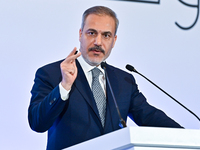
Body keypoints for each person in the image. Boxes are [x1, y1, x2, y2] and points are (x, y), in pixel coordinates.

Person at [28, 6, 183, 150]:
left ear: (114, 41)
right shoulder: (51, 73)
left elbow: (149, 117)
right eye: (92, 33)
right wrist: (64, 86)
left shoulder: (124, 81)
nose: (98, 42)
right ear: (80, 34)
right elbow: (37, 123)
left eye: (106, 35)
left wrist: (188, 136)